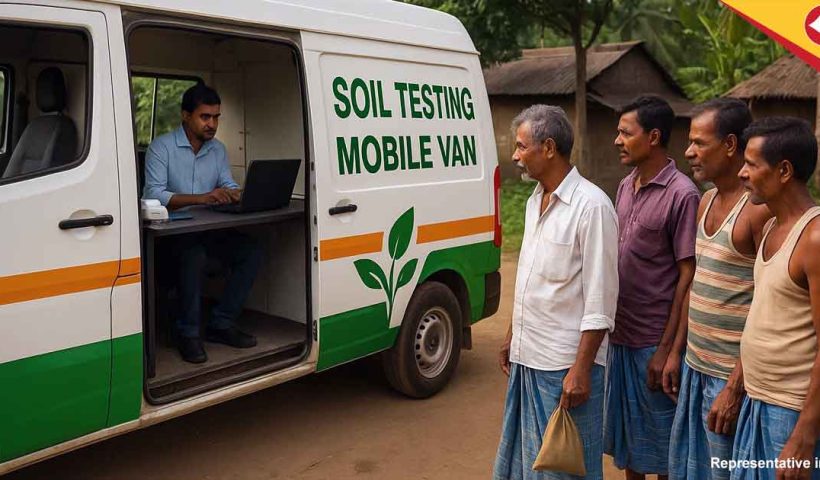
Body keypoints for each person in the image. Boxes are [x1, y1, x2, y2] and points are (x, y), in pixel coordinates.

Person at [494, 105, 619, 480]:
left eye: (521, 146)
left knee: (565, 470)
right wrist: (513, 335)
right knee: (527, 465)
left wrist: (581, 370)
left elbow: (601, 299)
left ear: (548, 148)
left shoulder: (592, 206)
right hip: (529, 359)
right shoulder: (535, 200)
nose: (515, 155)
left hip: (564, 368)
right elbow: (536, 279)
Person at [666, 98, 771, 480]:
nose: (689, 152)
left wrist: (735, 385)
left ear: (730, 146)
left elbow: (767, 306)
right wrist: (677, 351)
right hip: (696, 370)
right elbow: (694, 283)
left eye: (699, 142)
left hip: (730, 379)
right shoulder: (705, 200)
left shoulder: (758, 212)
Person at [604, 95, 699, 480]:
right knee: (630, 447)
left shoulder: (683, 194)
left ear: (654, 136)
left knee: (662, 449)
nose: (617, 140)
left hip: (652, 341)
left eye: (626, 133)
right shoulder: (626, 185)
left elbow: (686, 276)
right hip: (620, 337)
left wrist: (667, 350)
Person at [143, 83, 261, 364]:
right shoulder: (161, 148)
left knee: (251, 251)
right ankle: (188, 334)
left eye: (216, 117)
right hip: (169, 240)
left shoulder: (217, 150)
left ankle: (221, 323)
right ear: (186, 116)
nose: (212, 124)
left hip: (209, 232)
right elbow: (153, 194)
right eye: (205, 117)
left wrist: (234, 192)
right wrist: (203, 197)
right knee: (192, 256)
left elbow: (226, 182)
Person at [731, 117, 820, 480]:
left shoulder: (813, 239)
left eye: (752, 164)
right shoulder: (769, 227)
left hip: (793, 411)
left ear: (784, 170)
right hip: (758, 402)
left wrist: (804, 435)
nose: (742, 173)